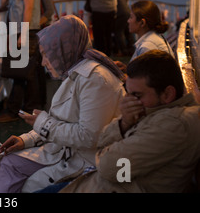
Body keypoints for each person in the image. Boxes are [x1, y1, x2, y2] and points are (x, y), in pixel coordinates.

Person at [0, 15, 125, 193]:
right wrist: (25, 140)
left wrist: (42, 123)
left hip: (86, 161)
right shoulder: (76, 72)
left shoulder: (94, 79)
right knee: (9, 162)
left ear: (63, 50)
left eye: (47, 54)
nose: (43, 62)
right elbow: (59, 121)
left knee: (24, 181)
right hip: (66, 152)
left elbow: (88, 137)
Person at [57, 50, 200, 193]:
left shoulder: (173, 126)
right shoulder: (149, 111)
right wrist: (123, 124)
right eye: (128, 93)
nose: (129, 101)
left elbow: (110, 168)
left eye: (137, 95)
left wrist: (107, 153)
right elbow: (103, 146)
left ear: (167, 94)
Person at [0, 0, 45, 123]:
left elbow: (28, 9)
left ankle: (14, 111)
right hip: (22, 32)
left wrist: (22, 35)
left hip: (25, 32)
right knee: (26, 73)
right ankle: (28, 109)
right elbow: (3, 3)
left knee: (20, 72)